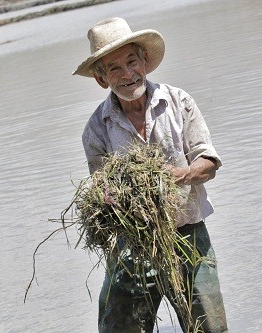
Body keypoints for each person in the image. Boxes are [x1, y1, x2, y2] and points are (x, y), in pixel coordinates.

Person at [72, 17, 228, 333]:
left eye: (132, 62)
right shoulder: (97, 129)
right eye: (114, 68)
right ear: (102, 79)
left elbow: (208, 162)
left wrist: (183, 175)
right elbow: (102, 184)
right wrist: (109, 199)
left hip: (189, 235)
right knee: (118, 326)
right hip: (134, 244)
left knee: (208, 326)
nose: (127, 74)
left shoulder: (178, 102)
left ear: (145, 62)